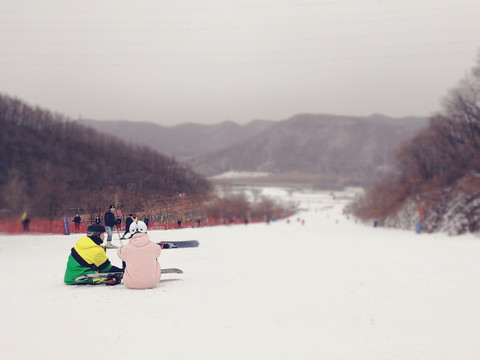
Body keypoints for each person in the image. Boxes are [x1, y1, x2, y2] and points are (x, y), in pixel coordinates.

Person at [117, 221, 162, 290]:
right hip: (152, 282)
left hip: (130, 283)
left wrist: (121, 247)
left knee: (125, 258)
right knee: (154, 258)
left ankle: (132, 274)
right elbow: (158, 253)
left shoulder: (126, 248)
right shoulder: (154, 246)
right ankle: (150, 273)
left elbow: (120, 254)